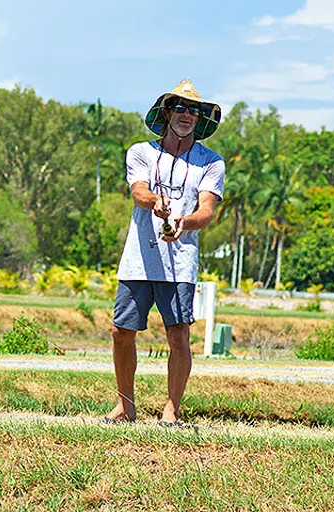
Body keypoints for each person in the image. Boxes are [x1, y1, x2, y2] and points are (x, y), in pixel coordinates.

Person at [102, 79, 224, 424]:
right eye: (181, 108)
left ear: (200, 120)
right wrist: (156, 201)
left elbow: (206, 211)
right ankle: (125, 405)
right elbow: (139, 191)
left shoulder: (210, 162)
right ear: (167, 112)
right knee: (120, 331)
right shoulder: (141, 151)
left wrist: (185, 222)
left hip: (180, 262)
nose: (187, 115)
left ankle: (172, 410)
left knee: (178, 334)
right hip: (138, 259)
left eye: (194, 111)